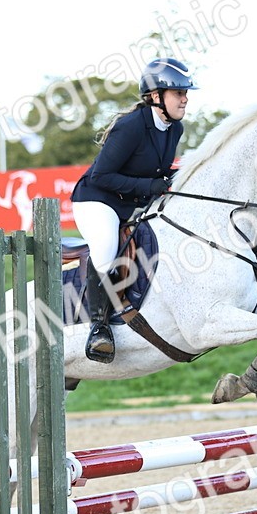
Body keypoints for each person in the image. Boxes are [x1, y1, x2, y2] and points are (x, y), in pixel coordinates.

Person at [70, 57, 195, 363]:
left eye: (185, 93)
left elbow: (157, 173)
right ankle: (99, 328)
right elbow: (101, 176)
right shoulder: (130, 127)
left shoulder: (174, 128)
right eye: (178, 92)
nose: (185, 99)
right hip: (97, 201)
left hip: (130, 202)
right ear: (155, 96)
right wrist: (149, 186)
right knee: (106, 247)